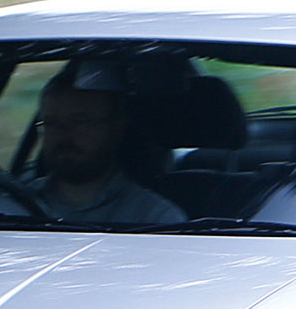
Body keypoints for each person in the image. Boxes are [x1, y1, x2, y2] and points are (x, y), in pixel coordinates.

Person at [28, 61, 186, 225]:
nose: (63, 133)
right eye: (51, 122)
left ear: (115, 128)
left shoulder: (157, 220)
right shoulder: (15, 205)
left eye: (80, 122)